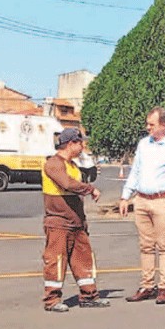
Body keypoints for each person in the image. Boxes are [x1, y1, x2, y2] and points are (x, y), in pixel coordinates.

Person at [119, 106, 165, 305]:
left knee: (164, 245)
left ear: (163, 125)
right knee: (146, 246)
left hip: (164, 201)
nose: (147, 128)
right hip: (142, 200)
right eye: (148, 124)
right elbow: (136, 171)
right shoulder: (144, 145)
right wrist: (126, 197)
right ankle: (147, 285)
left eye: (152, 124)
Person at [40, 128, 110, 312]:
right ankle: (52, 300)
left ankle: (89, 295)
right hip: (59, 223)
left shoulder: (73, 166)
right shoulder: (53, 164)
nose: (83, 147)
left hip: (76, 222)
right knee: (56, 261)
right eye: (80, 144)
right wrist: (90, 189)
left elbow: (77, 187)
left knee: (84, 259)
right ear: (71, 143)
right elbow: (68, 184)